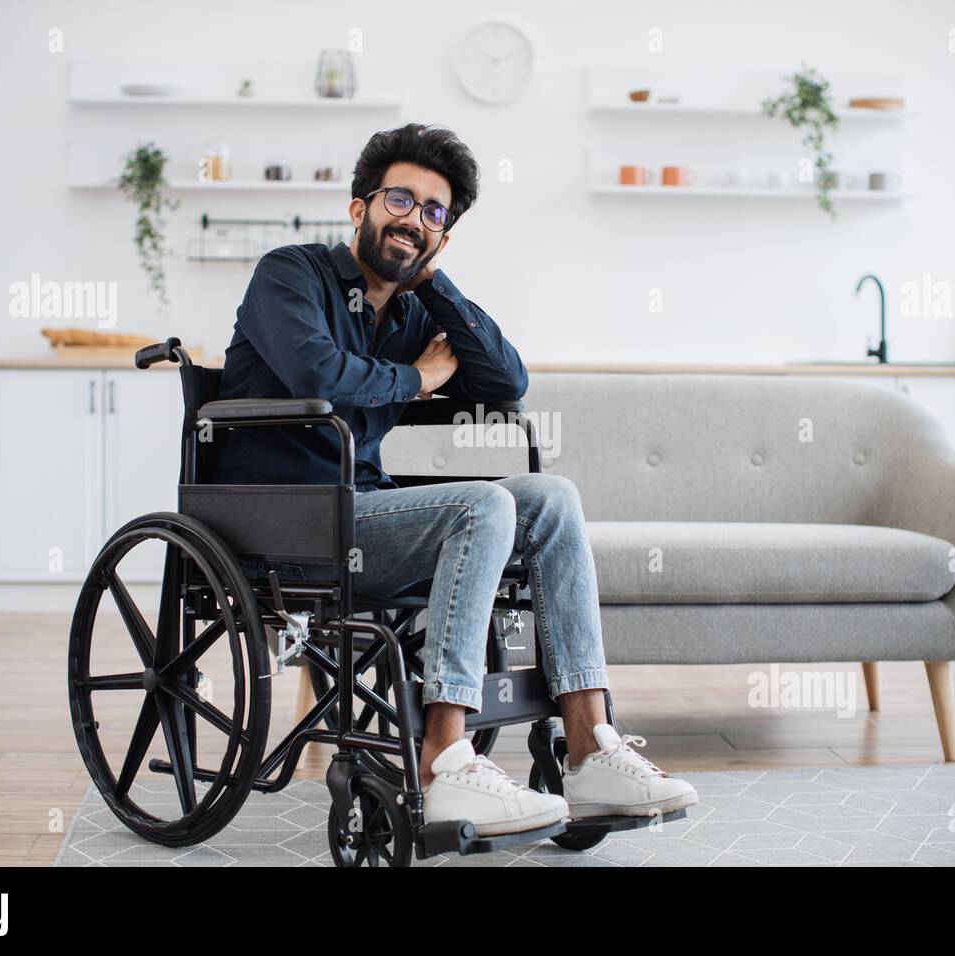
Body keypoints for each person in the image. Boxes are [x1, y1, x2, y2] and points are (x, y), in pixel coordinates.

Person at [215, 123, 697, 836]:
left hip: (366, 511)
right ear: (360, 208)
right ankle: (445, 756)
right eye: (400, 201)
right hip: (283, 522)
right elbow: (317, 373)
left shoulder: (411, 310)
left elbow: (507, 381)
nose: (413, 219)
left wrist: (433, 279)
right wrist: (419, 378)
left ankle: (590, 745)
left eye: (434, 213)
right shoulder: (289, 274)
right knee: (482, 505)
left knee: (551, 498)